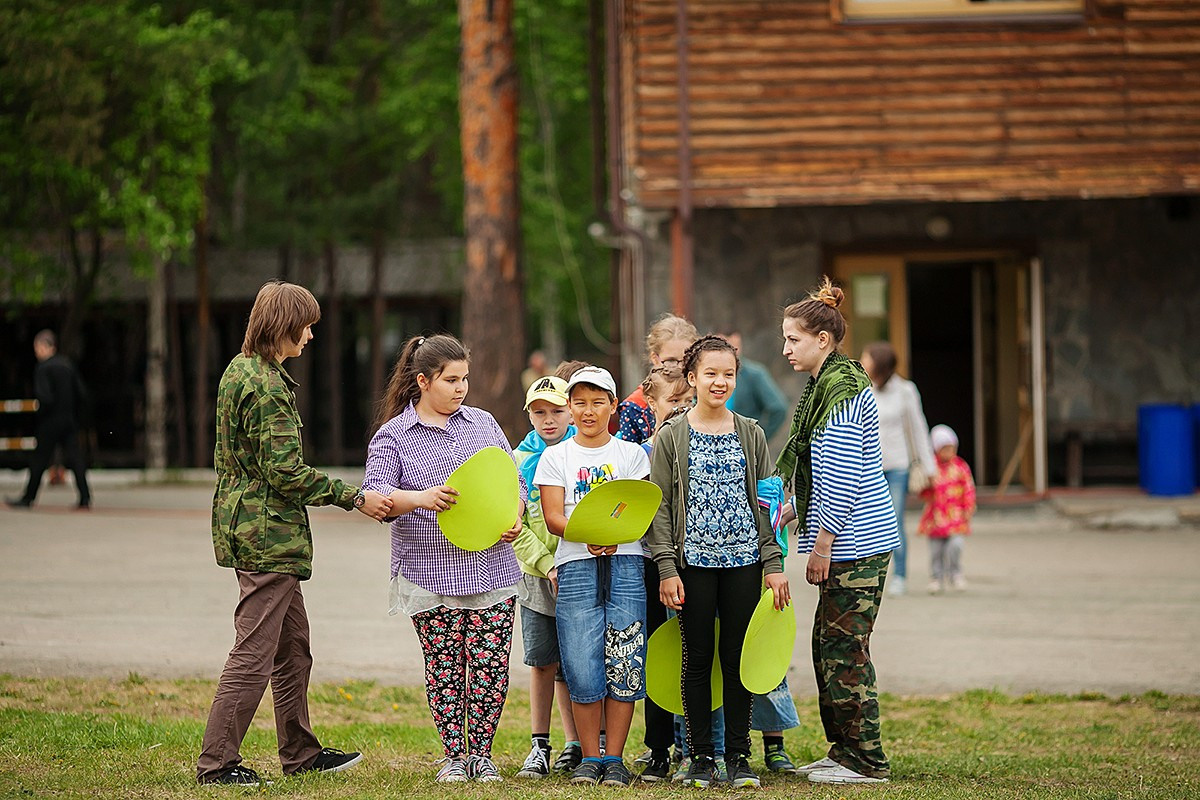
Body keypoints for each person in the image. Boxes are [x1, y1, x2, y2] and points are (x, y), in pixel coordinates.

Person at [197, 281, 393, 786]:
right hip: (268, 536)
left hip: (255, 527)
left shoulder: (241, 369)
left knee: (293, 647)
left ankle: (301, 754)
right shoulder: (265, 387)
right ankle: (217, 765)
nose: (310, 335)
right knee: (255, 651)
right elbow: (285, 472)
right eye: (306, 325)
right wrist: (356, 497)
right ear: (282, 325)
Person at [363, 333, 526, 783]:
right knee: (444, 669)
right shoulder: (394, 436)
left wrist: (515, 515)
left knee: (491, 668)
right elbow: (374, 498)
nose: (461, 388)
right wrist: (421, 498)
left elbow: (514, 482)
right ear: (422, 381)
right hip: (428, 572)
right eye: (451, 380)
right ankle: (456, 757)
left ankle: (484, 756)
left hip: (491, 567)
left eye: (465, 379)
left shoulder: (483, 424)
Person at [648, 335, 790, 789]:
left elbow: (768, 504)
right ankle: (702, 758)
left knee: (737, 658)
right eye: (710, 373)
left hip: (745, 563)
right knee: (697, 658)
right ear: (691, 377)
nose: (720, 381)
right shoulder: (671, 435)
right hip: (693, 564)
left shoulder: (751, 432)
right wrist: (667, 568)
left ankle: (739, 756)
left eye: (728, 373)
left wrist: (773, 563)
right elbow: (661, 507)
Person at [776, 277, 900, 785]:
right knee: (826, 646)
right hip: (846, 539)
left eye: (794, 339)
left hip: (856, 544)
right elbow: (818, 470)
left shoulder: (841, 390)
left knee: (845, 651)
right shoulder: (828, 385)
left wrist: (821, 542)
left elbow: (842, 475)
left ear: (823, 339)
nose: (786, 348)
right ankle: (842, 750)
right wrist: (790, 512)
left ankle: (866, 760)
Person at [534, 365, 651, 787]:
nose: (588, 411)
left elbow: (637, 511)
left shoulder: (631, 455)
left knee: (625, 656)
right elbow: (552, 517)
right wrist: (590, 535)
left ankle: (615, 757)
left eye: (598, 402)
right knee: (581, 659)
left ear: (613, 406)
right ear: (570, 407)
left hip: (626, 562)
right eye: (580, 403)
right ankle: (589, 755)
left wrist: (611, 535)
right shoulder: (556, 457)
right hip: (576, 563)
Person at [511, 373, 582, 777]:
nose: (549, 420)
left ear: (570, 411)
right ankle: (540, 745)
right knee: (542, 661)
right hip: (538, 576)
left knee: (579, 661)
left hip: (581, 569)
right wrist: (546, 564)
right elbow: (513, 527)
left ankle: (579, 743)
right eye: (539, 412)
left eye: (557, 411)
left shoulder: (581, 455)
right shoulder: (519, 461)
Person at [631, 365, 694, 782]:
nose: (681, 409)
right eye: (673, 401)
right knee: (656, 651)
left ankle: (695, 746)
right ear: (650, 404)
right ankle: (657, 748)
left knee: (694, 653)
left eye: (687, 401)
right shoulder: (639, 455)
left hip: (695, 564)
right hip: (652, 565)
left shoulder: (702, 445)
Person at [860, 341, 937, 597]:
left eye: (867, 358)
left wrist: (930, 467)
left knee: (894, 521)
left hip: (897, 467)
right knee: (867, 524)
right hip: (867, 467)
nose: (862, 361)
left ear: (879, 364)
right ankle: (872, 575)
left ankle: (900, 575)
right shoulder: (860, 389)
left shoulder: (905, 391)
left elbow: (918, 428)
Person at [6, 330, 91, 510]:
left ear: (45, 347)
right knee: (75, 459)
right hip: (68, 419)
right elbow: (82, 393)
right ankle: (85, 496)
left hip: (50, 421)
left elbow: (45, 397)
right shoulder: (68, 365)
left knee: (39, 460)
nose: (37, 352)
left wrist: (40, 415)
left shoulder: (43, 368)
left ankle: (28, 497)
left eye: (37, 347)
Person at [614, 314, 698, 443]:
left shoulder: (702, 396)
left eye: (687, 360)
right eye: (671, 361)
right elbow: (629, 458)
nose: (681, 367)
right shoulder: (634, 407)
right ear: (655, 358)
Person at [919, 424, 976, 594]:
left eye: (952, 448)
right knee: (936, 551)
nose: (949, 452)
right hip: (936, 518)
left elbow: (968, 488)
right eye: (944, 448)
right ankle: (936, 577)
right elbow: (925, 494)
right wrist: (925, 484)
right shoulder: (931, 468)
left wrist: (969, 506)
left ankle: (955, 572)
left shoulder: (960, 467)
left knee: (956, 545)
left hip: (955, 516)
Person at [720, 329, 790, 440]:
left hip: (743, 445)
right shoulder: (706, 377)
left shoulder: (754, 374)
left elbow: (778, 408)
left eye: (734, 346)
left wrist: (758, 439)